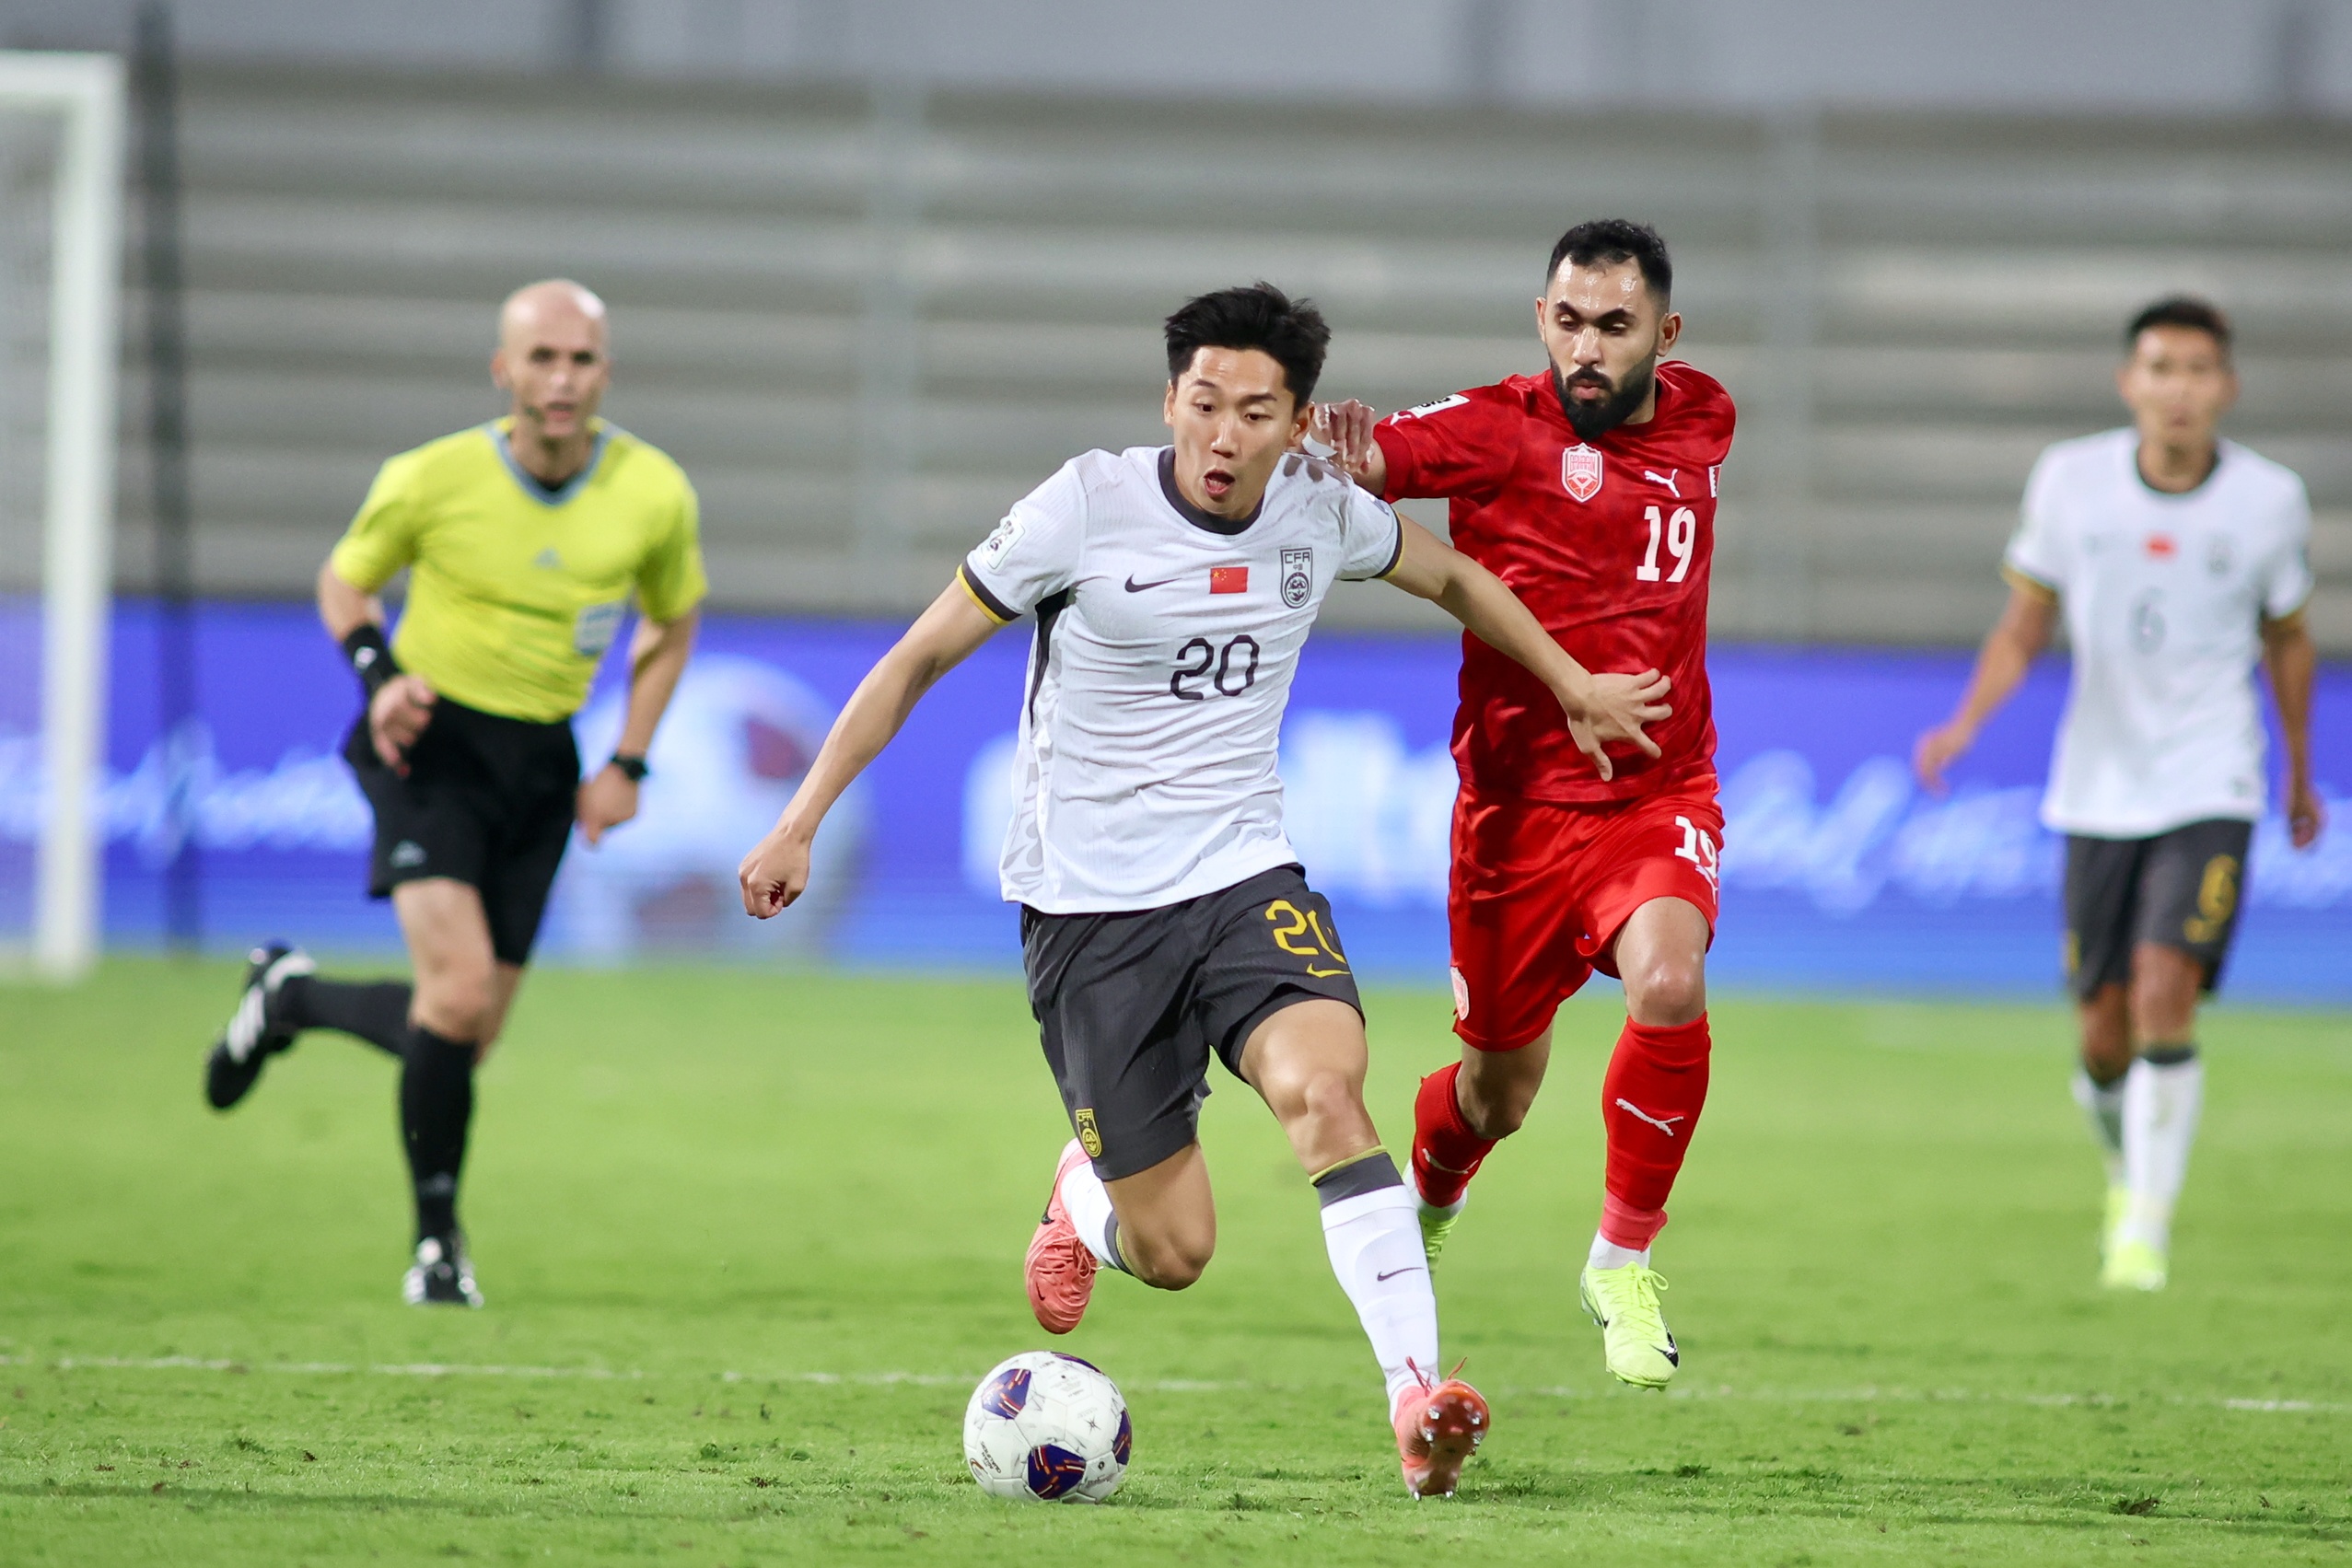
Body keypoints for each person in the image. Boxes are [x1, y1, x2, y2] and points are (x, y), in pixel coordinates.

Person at [737, 283, 1668, 1496]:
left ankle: (1414, 1401)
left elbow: (1453, 577)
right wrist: (799, 819)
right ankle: (1083, 1198)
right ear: (1168, 399)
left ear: (1298, 423)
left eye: (1256, 412)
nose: (1224, 435)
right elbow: (917, 656)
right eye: (1204, 403)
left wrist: (1569, 681)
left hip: (1240, 876)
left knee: (1327, 1091)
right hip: (1089, 915)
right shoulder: (1085, 505)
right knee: (1175, 1250)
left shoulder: (1319, 506)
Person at [202, 279, 706, 1307]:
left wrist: (628, 760)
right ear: (502, 369)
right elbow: (345, 580)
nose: (561, 379)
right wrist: (379, 675)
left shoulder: (653, 491)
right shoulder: (430, 477)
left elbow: (672, 620)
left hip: (542, 763)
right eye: (541, 358)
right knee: (461, 995)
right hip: (426, 743)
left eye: (581, 359)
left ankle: (291, 997)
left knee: (466, 1032)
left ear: (605, 373)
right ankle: (438, 1246)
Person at [1313, 218, 1736, 1391]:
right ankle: (1429, 1198)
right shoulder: (1494, 427)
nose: (1587, 348)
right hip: (1512, 815)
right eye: (1569, 322)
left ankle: (1620, 1261)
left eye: (1615, 325)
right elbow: (1375, 461)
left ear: (1665, 332)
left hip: (1656, 788)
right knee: (1496, 1094)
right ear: (1540, 319)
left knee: (1669, 980)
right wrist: (1337, 452)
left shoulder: (1706, 416)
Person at [1914, 296, 2322, 1292]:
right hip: (2096, 784)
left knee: (2162, 990)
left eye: (2197, 370)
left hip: (2213, 775)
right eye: (2160, 367)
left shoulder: (2269, 499)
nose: (2178, 388)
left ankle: (2144, 1226)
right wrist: (1965, 722)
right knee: (2102, 1032)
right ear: (2128, 382)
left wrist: (2300, 769)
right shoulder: (2070, 480)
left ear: (2226, 387)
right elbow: (2025, 622)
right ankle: (2124, 1167)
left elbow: (2288, 637)